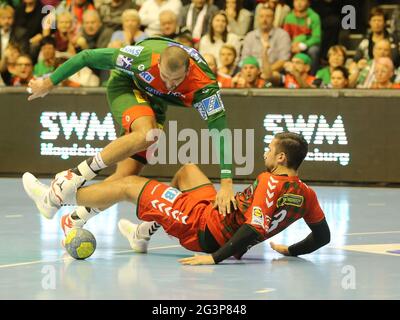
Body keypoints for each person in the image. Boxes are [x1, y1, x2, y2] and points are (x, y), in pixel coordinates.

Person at [25, 37, 235, 236]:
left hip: (156, 103)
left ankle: (69, 214)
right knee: (147, 134)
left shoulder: (204, 86)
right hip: (126, 86)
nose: (170, 84)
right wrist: (50, 82)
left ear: (188, 70)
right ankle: (72, 177)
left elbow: (220, 130)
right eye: (165, 77)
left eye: (177, 80)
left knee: (125, 178)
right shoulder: (141, 57)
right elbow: (86, 56)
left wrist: (226, 182)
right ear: (158, 61)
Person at [23, 132, 331, 265]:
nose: (264, 152)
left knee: (129, 184)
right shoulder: (306, 194)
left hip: (205, 230)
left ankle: (54, 199)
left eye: (269, 148)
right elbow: (322, 236)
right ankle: (144, 233)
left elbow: (254, 228)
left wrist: (214, 257)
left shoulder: (270, 181)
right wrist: (290, 250)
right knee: (187, 171)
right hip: (218, 213)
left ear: (279, 157)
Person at [241, 6, 291, 73]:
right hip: (252, 72)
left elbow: (284, 60)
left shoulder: (282, 35)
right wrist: (254, 71)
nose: (264, 20)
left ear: (273, 19)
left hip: (274, 72)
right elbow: (245, 59)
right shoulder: (250, 36)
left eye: (268, 16)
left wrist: (265, 71)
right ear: (258, 19)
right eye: (261, 16)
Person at [283, 0, 321, 74]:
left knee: (314, 50)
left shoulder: (314, 17)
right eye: (296, 1)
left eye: (302, 0)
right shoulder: (289, 17)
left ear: (308, 2)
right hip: (293, 46)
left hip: (307, 46)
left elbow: (316, 38)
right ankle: (286, 76)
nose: (299, 3)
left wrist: (302, 45)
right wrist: (291, 45)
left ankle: (312, 76)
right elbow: (286, 36)